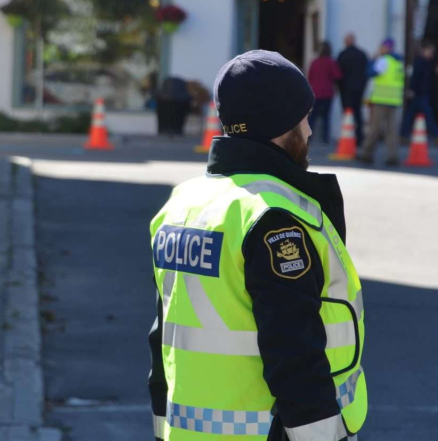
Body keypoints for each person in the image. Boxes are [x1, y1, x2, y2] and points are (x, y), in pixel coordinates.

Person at [148, 50, 367, 441]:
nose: (310, 131)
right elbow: (294, 355)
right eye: (305, 118)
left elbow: (161, 339)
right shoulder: (273, 218)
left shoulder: (182, 204)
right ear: (282, 124)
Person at [358, 38, 405, 166]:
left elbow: (370, 73)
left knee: (375, 129)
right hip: (394, 101)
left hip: (381, 100)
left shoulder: (384, 61)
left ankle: (367, 154)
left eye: (382, 46)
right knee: (392, 131)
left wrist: (373, 60)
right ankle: (393, 157)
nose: (380, 49)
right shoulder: (398, 63)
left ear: (386, 48)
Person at [400, 40, 438, 146]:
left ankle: (403, 136)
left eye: (432, 51)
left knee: (410, 115)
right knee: (428, 115)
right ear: (423, 51)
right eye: (430, 51)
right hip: (419, 94)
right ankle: (437, 137)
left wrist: (437, 72)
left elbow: (430, 77)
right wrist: (411, 90)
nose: (431, 53)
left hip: (421, 93)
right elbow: (414, 77)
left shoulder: (428, 63)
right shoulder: (419, 62)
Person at [307, 41, 343, 143]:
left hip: (315, 92)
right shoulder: (331, 62)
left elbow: (309, 76)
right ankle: (325, 138)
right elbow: (338, 76)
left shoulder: (314, 62)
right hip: (327, 93)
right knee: (326, 117)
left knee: (312, 117)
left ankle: (308, 137)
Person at [337, 33, 369, 146]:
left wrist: (339, 87)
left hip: (346, 89)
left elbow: (338, 74)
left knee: (347, 114)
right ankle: (359, 138)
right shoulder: (362, 54)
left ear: (347, 41)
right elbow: (367, 72)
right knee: (358, 114)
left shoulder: (342, 54)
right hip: (359, 89)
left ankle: (347, 138)